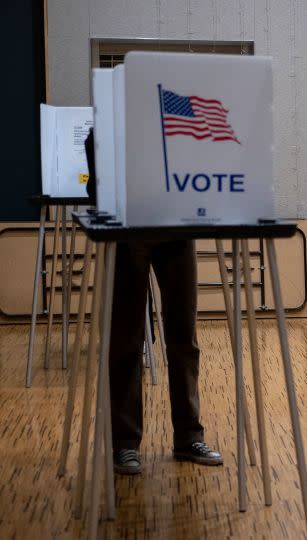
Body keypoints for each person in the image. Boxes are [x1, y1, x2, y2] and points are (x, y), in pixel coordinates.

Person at [84, 129, 222, 475]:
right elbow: (94, 146)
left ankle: (189, 436)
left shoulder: (179, 102)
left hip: (177, 224)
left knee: (183, 338)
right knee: (126, 339)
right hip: (127, 225)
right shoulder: (119, 102)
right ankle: (125, 444)